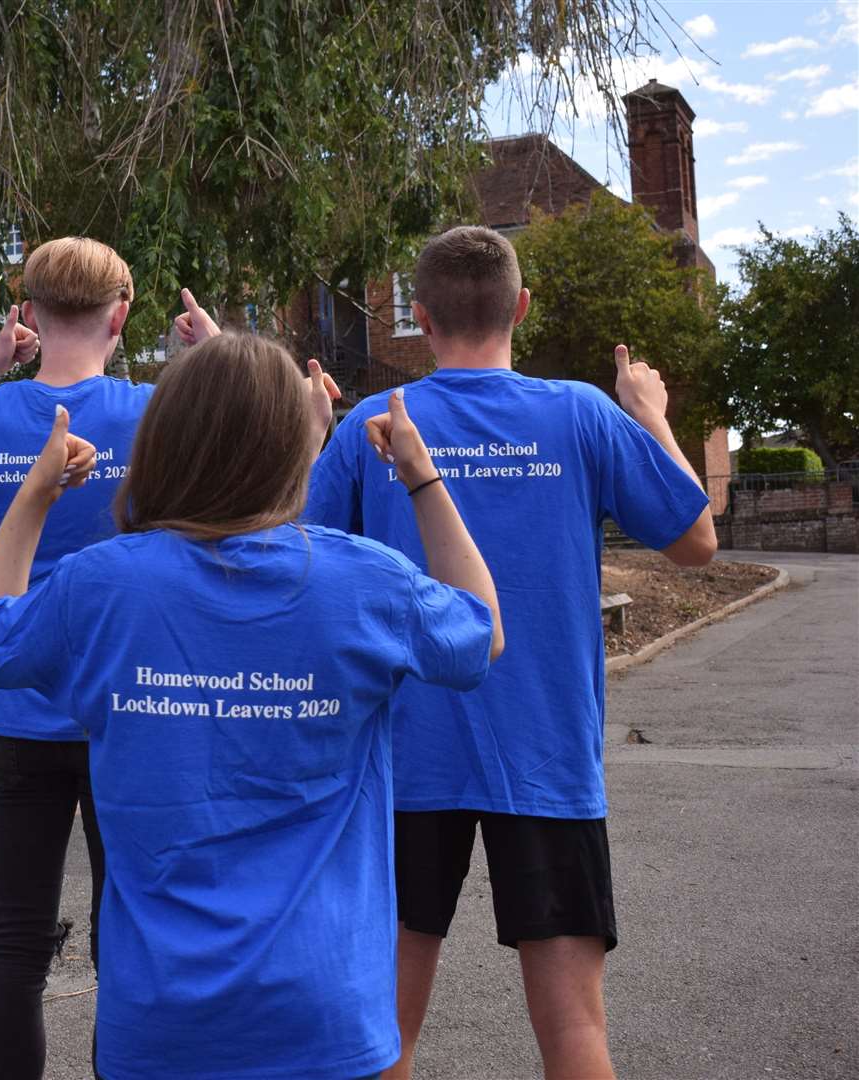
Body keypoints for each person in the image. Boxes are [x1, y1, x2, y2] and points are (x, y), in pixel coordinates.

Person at [0, 332, 504, 1080]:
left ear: (164, 442)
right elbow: (482, 633)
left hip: (159, 1020)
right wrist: (421, 477)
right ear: (293, 449)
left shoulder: (102, 586)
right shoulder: (366, 585)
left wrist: (32, 496)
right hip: (324, 1010)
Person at [305, 226, 717, 1080]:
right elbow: (696, 540)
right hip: (546, 755)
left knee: (378, 1035)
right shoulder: (579, 413)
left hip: (403, 762)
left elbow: (302, 573)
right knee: (575, 1035)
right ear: (519, 308)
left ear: (417, 317)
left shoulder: (368, 430)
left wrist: (314, 442)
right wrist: (654, 417)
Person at [0, 237, 170, 1079]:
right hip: (125, 704)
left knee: (18, 938)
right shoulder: (152, 410)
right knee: (125, 929)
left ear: (26, 314)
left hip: (20, 697)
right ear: (121, 314)